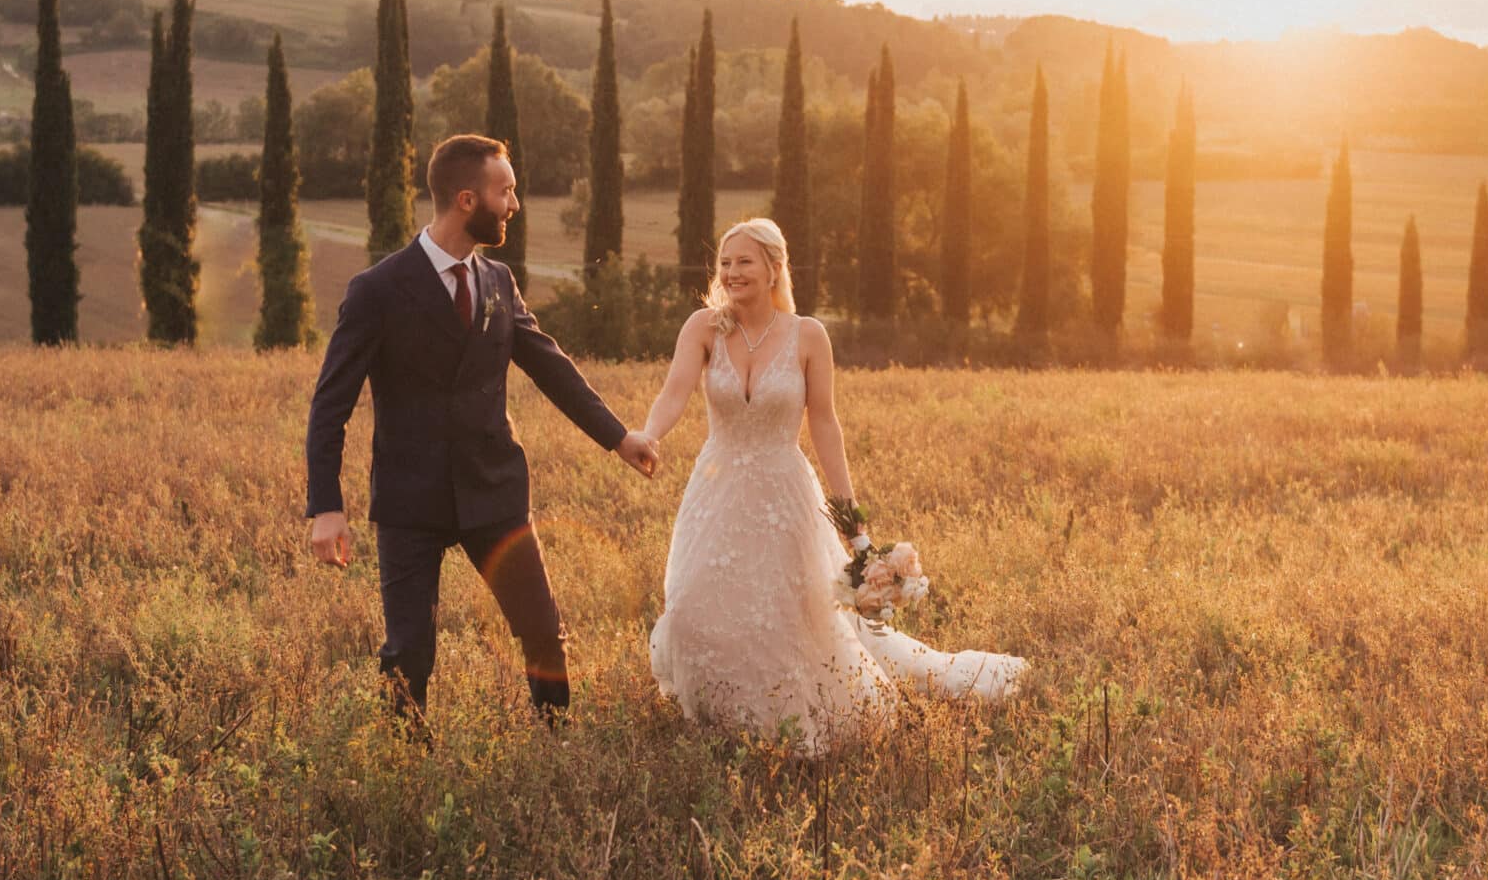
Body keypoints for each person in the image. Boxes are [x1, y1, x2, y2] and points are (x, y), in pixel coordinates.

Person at [305, 133, 659, 725]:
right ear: (468, 200)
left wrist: (619, 437)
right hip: (409, 498)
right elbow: (329, 405)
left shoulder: (497, 280)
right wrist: (326, 506)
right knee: (409, 654)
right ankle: (406, 774)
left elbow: (549, 364)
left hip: (494, 489)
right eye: (507, 191)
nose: (515, 204)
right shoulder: (377, 290)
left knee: (544, 633)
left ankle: (556, 746)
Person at [638, 217, 1025, 750]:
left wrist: (850, 517)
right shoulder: (704, 328)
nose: (731, 273)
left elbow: (824, 423)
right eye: (725, 263)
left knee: (788, 614)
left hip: (783, 491)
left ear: (774, 267)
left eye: (744, 262)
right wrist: (649, 435)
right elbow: (674, 392)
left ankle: (787, 723)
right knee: (697, 605)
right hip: (716, 489)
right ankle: (719, 716)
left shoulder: (808, 335)